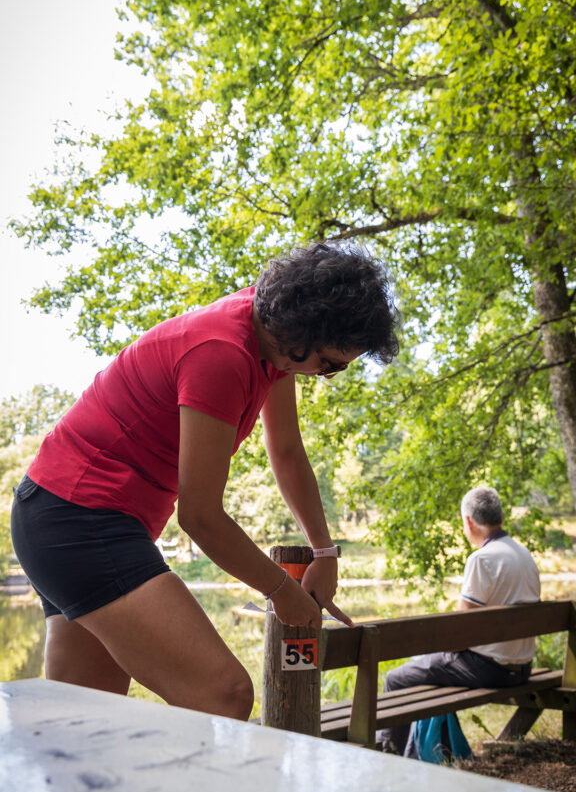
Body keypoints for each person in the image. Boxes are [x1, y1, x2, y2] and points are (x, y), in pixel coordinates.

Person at [11, 241, 400, 721]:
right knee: (225, 694)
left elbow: (286, 451)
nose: (328, 374)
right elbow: (199, 516)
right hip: (79, 519)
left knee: (86, 722)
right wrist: (282, 591)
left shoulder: (270, 338)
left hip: (56, 515)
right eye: (332, 364)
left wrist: (323, 552)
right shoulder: (222, 354)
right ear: (303, 331)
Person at [378, 486, 541, 755]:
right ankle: (428, 749)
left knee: (396, 678)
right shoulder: (524, 555)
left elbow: (460, 636)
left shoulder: (482, 559)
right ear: (500, 516)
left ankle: (388, 753)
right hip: (522, 668)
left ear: (468, 521)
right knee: (425, 666)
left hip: (491, 670)